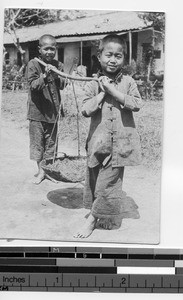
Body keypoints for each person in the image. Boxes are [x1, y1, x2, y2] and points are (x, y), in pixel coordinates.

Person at [75, 34, 143, 238]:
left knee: (110, 183)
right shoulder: (92, 83)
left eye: (118, 56)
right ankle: (102, 213)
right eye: (109, 55)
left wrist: (113, 90)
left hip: (121, 144)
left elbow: (137, 103)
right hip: (98, 141)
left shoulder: (129, 82)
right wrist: (102, 92)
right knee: (95, 181)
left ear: (124, 59)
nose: (113, 60)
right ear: (99, 56)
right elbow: (85, 110)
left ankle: (92, 219)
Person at [26, 34, 66, 184]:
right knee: (38, 143)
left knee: (51, 143)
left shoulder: (59, 65)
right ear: (39, 49)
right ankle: (41, 170)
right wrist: (45, 75)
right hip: (37, 112)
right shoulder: (33, 64)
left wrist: (56, 75)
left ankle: (47, 171)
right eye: (46, 48)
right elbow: (33, 85)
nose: (49, 52)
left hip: (53, 111)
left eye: (52, 49)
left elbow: (63, 84)